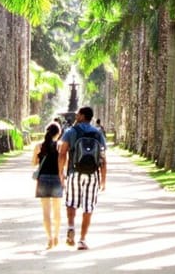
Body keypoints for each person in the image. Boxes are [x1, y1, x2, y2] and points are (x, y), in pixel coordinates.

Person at [58, 105, 107, 250]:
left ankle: (71, 226)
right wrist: (103, 179)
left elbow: (62, 153)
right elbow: (103, 158)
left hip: (74, 173)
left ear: (81, 116)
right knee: (88, 207)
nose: (76, 116)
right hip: (92, 175)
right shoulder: (98, 133)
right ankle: (82, 239)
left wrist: (61, 173)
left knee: (71, 203)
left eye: (78, 114)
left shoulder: (70, 131)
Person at [32, 122, 64, 249]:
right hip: (56, 178)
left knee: (46, 211)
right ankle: (56, 236)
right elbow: (64, 164)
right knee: (57, 211)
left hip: (43, 179)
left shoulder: (39, 146)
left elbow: (33, 163)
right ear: (58, 133)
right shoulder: (60, 146)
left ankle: (49, 238)